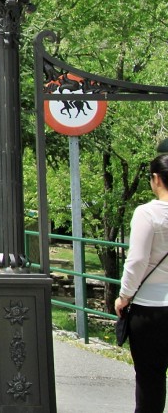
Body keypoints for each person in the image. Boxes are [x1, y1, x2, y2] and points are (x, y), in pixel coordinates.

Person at [116, 154, 168, 412]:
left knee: (150, 378)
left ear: (156, 179)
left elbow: (136, 261)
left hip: (151, 309)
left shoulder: (147, 214)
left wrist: (124, 296)